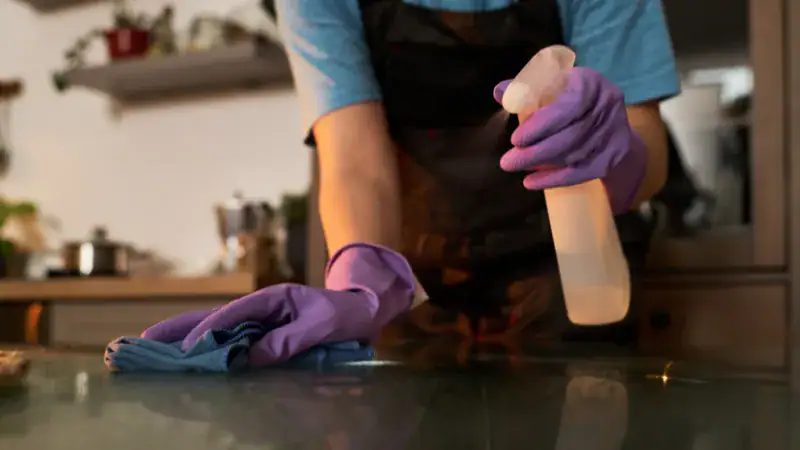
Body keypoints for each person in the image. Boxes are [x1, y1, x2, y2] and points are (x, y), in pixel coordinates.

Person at [141, 0, 679, 366]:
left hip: (570, 293)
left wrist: (619, 152)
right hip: (408, 297)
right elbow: (354, 159)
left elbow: (648, 148)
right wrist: (360, 285)